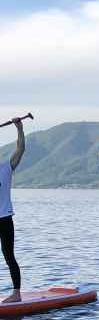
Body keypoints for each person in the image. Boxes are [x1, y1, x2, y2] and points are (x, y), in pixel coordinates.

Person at [1, 116, 26, 303]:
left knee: (9, 256)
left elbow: (20, 149)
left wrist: (19, 128)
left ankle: (16, 294)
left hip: (4, 219)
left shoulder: (6, 168)